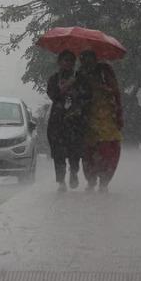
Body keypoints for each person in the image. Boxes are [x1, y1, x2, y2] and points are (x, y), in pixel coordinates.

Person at [46, 50, 90, 191]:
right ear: (59, 62)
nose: (68, 63)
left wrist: (75, 92)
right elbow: (52, 94)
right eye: (65, 60)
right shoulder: (54, 79)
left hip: (75, 121)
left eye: (71, 61)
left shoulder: (80, 78)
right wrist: (63, 89)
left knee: (75, 151)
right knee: (58, 153)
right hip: (58, 121)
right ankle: (61, 181)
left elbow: (88, 95)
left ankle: (73, 172)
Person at [78, 50, 123, 192]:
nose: (87, 62)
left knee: (108, 151)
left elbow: (115, 90)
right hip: (88, 117)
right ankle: (91, 180)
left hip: (107, 117)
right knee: (88, 152)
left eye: (90, 58)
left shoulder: (105, 70)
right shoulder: (80, 73)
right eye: (84, 59)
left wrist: (101, 87)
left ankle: (104, 181)